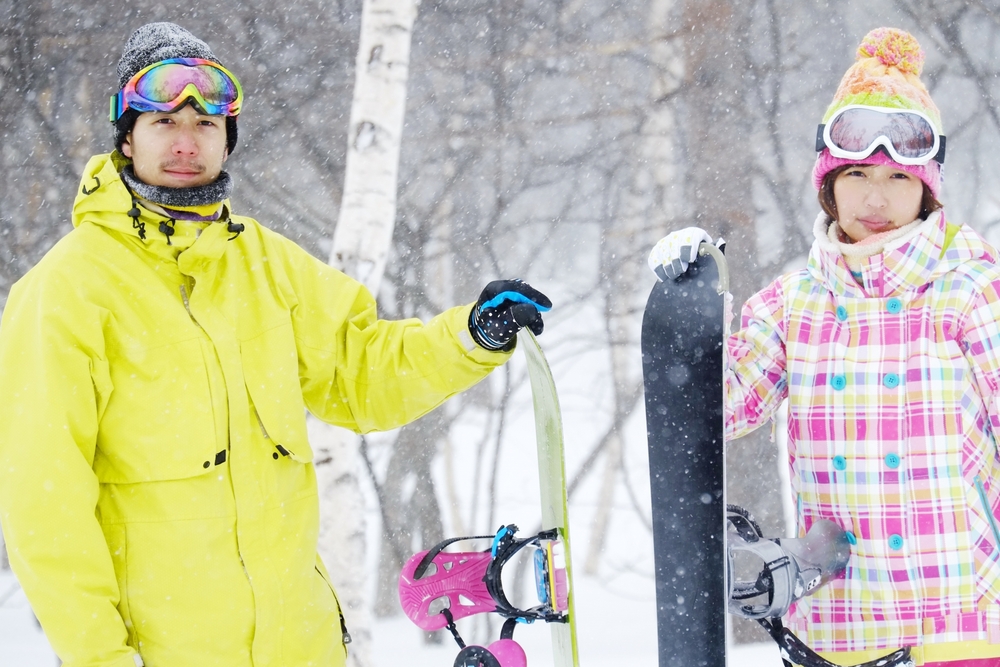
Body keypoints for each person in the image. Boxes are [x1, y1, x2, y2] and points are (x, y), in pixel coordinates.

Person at [0, 22, 551, 667]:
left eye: (206, 125)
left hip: (304, 648)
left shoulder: (265, 265)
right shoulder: (68, 290)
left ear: (228, 138)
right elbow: (47, 507)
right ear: (126, 136)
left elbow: (361, 375)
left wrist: (469, 337)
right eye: (163, 123)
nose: (186, 142)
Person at [649, 27, 1000, 667]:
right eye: (858, 173)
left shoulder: (972, 292)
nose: (875, 197)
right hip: (840, 629)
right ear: (827, 182)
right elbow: (716, 409)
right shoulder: (795, 304)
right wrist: (689, 311)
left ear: (927, 188)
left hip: (959, 622)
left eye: (898, 177)